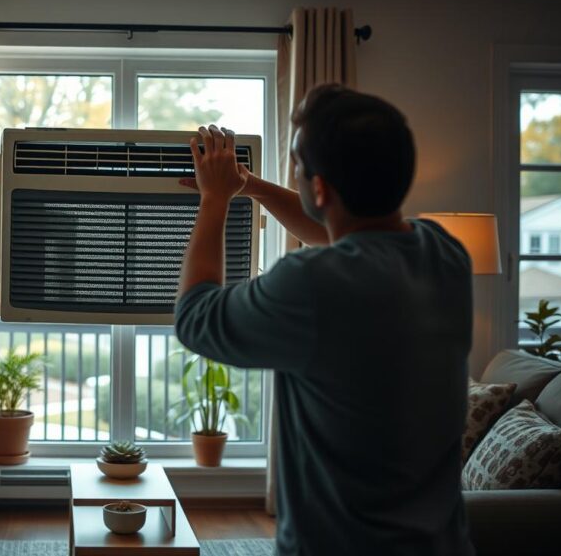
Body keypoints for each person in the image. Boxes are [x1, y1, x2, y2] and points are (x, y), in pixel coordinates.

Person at [174, 84, 475, 555]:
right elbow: (339, 232)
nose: (294, 172)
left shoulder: (310, 283)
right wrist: (250, 186)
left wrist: (214, 200)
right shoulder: (444, 253)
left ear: (319, 188)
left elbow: (196, 317)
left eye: (297, 164)